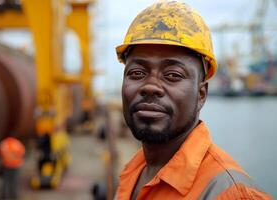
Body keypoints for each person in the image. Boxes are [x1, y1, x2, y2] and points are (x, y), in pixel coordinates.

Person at [114, 1, 272, 199]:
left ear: (201, 94)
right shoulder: (134, 171)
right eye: (137, 73)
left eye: (173, 75)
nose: (150, 86)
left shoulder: (231, 193)